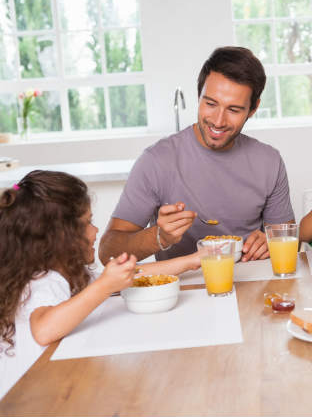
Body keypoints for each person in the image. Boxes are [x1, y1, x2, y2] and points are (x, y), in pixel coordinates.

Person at [0, 170, 203, 399]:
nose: (96, 231)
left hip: (54, 385)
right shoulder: (43, 279)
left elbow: (136, 274)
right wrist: (104, 286)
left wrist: (192, 261)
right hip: (27, 398)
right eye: (88, 223)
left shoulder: (71, 273)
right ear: (59, 236)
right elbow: (43, 330)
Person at [99, 46, 295, 265]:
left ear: (253, 108)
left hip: (251, 284)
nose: (218, 121)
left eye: (234, 110)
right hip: (185, 289)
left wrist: (270, 241)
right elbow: (108, 253)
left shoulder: (269, 161)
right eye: (210, 104)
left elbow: (286, 237)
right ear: (199, 95)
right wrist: (159, 237)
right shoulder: (156, 161)